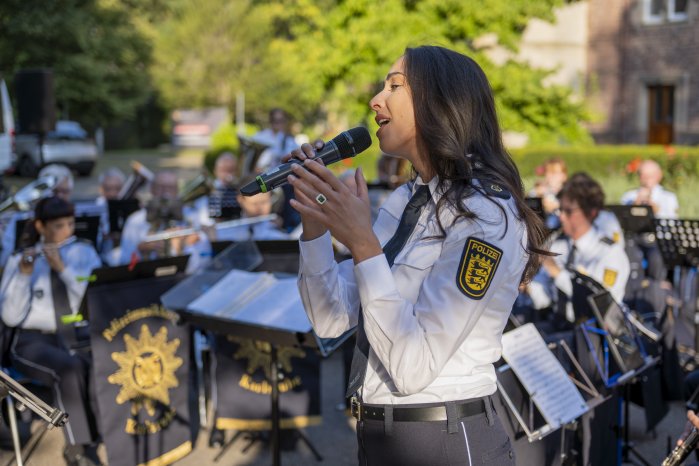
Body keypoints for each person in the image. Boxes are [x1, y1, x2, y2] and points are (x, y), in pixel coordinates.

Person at [286, 45, 547, 465]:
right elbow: (331, 318)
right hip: (380, 434)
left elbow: (412, 368)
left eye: (394, 86)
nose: (376, 99)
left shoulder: (486, 216)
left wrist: (363, 244)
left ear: (440, 103)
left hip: (443, 438)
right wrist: (314, 223)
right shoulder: (406, 201)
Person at [0, 196, 103, 465]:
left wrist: (63, 269)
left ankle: (102, 435)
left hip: (73, 334)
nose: (67, 231)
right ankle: (78, 449)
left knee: (98, 362)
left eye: (70, 224)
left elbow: (95, 298)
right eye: (59, 226)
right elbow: (10, 317)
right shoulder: (17, 260)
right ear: (40, 226)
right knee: (67, 369)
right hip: (30, 341)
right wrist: (24, 274)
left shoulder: (84, 253)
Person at [526, 173, 630, 323]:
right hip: (556, 323)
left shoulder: (610, 253)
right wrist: (528, 288)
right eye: (560, 210)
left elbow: (599, 304)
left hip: (594, 334)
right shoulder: (558, 244)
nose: (561, 217)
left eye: (568, 211)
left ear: (591, 213)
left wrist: (557, 273)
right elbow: (545, 296)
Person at [118, 170, 211, 273]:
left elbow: (205, 261)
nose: (165, 193)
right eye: (160, 187)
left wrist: (185, 246)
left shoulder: (191, 217)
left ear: (177, 191)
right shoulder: (135, 221)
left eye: (170, 188)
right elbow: (125, 264)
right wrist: (141, 251)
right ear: (152, 189)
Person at [0, 164, 76, 267]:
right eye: (55, 191)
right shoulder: (22, 218)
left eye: (65, 191)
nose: (59, 196)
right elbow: (6, 258)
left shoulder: (75, 213)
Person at [215, 174, 288, 241]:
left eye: (264, 202)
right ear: (240, 200)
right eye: (254, 204)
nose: (260, 208)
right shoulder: (225, 231)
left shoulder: (279, 233)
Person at [194, 152, 241, 227]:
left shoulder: (239, 188)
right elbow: (204, 222)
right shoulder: (207, 192)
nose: (227, 174)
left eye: (231, 170)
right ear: (215, 171)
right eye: (223, 170)